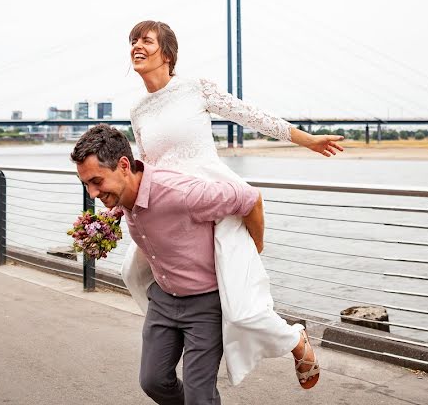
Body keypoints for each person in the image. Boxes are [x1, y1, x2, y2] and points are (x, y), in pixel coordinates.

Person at [124, 20, 344, 388]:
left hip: (215, 201)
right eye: (132, 41)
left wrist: (307, 140)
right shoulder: (138, 110)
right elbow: (145, 165)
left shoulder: (194, 88)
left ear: (167, 53)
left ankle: (295, 340)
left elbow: (253, 116)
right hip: (170, 208)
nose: (136, 46)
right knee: (133, 274)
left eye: (146, 40)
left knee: (242, 306)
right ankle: (176, 338)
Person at [71, 124, 276, 404]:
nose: (92, 193)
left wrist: (255, 248)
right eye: (86, 184)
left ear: (122, 166)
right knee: (153, 382)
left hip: (205, 304)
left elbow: (250, 198)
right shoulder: (123, 195)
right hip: (163, 299)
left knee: (198, 396)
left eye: (97, 181)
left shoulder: (182, 193)